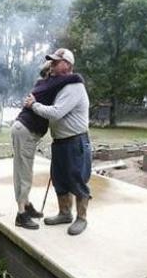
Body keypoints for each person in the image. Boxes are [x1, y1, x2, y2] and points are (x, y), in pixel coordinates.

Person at [24, 48, 91, 236]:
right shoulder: (61, 85)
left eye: (56, 62)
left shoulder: (74, 87)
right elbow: (43, 75)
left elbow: (56, 112)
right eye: (51, 62)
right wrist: (49, 70)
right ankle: (64, 213)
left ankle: (82, 218)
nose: (52, 64)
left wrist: (33, 105)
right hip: (61, 141)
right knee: (60, 179)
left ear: (68, 65)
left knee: (77, 180)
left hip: (75, 141)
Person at [12, 61, 83, 230]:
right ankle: (21, 214)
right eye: (51, 69)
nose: (53, 71)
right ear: (49, 73)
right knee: (24, 172)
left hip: (25, 130)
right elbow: (75, 77)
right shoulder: (48, 82)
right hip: (25, 130)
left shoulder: (43, 85)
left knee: (24, 169)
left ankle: (26, 205)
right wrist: (78, 77)